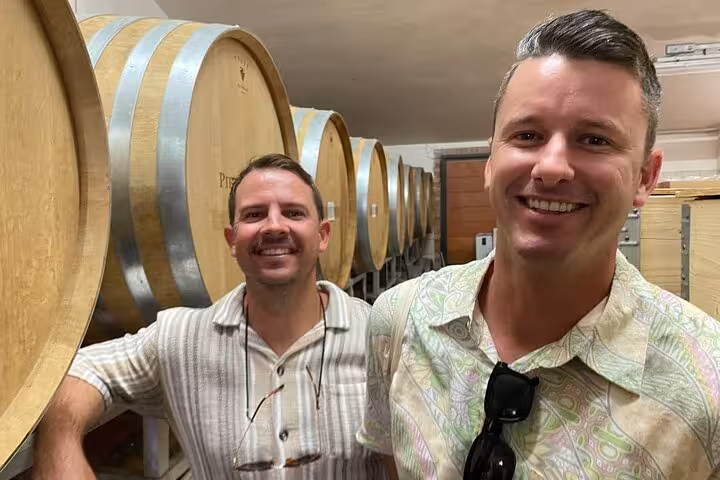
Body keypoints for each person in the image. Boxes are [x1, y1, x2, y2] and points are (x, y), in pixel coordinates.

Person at [357, 9, 720, 480]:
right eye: (527, 135)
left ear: (645, 178)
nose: (551, 167)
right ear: (491, 161)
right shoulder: (399, 320)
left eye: (593, 139)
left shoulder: (706, 380)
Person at [34, 153, 387, 479]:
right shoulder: (179, 339)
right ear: (232, 240)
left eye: (294, 213)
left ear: (323, 235)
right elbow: (79, 371)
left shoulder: (379, 335)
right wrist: (60, 438)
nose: (274, 226)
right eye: (254, 214)